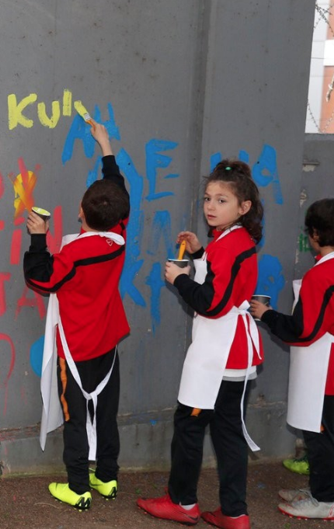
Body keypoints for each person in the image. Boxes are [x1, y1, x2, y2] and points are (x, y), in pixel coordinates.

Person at [137, 160, 264, 529]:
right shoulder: (233, 240)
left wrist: (179, 279)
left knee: (191, 426)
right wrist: (197, 255)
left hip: (218, 353)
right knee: (227, 431)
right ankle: (234, 512)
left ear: (243, 207)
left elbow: (212, 301)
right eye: (208, 198)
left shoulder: (230, 244)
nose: (211, 206)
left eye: (222, 200)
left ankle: (183, 502)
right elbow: (223, 281)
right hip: (230, 351)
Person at [23, 121, 130, 510]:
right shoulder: (118, 238)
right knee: (106, 413)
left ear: (80, 212)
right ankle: (107, 478)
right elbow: (117, 186)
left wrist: (39, 236)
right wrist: (105, 145)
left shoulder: (75, 255)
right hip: (106, 341)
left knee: (75, 417)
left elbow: (41, 278)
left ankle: (77, 487)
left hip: (76, 346)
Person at [250, 198, 334, 521]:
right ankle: (321, 490)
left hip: (325, 371)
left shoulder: (320, 276)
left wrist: (268, 315)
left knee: (320, 436)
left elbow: (304, 330)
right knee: (324, 435)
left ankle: (325, 500)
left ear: (313, 234)